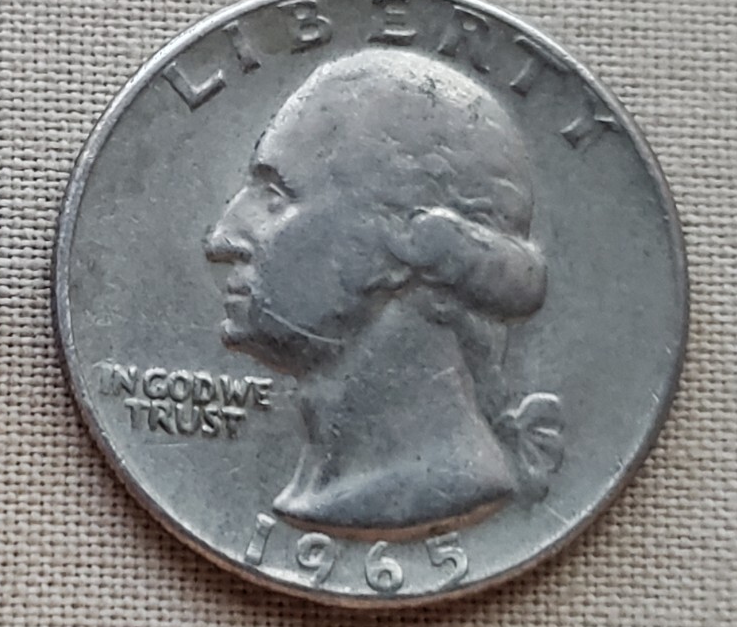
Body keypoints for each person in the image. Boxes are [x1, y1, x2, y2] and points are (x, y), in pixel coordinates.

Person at [204, 47, 562, 535]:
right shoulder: (325, 487)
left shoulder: (439, 484)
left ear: (410, 240)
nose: (221, 238)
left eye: (275, 198)